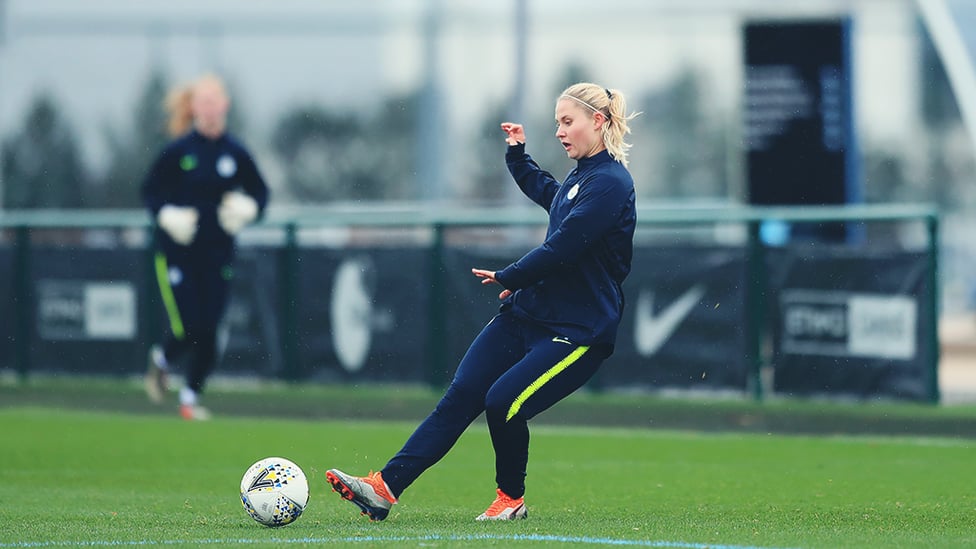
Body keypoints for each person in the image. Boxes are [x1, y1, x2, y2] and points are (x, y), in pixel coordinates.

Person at [325, 82, 638, 521]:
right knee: (462, 396)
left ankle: (511, 500)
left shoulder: (612, 183)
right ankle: (383, 489)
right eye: (557, 124)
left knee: (503, 401)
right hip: (529, 315)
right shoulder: (581, 179)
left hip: (578, 330)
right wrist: (518, 156)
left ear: (599, 121)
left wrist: (511, 275)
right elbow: (550, 195)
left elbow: (567, 245)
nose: (561, 132)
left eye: (568, 122)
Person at [142, 73, 270, 420]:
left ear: (224, 105)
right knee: (188, 325)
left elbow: (261, 191)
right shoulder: (177, 151)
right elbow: (150, 191)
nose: (210, 107)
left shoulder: (236, 153)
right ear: (194, 106)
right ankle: (162, 361)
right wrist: (166, 214)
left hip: (218, 252)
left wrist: (250, 209)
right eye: (204, 101)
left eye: (216, 100)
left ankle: (189, 397)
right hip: (178, 251)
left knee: (210, 329)